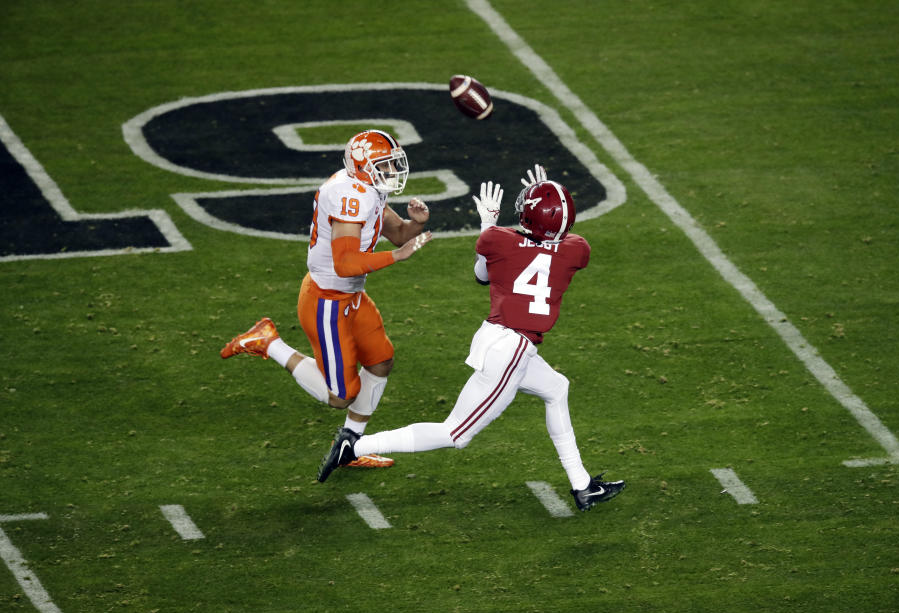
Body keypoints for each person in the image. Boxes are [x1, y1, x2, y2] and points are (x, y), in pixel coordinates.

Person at [317, 165, 625, 512]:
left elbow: (483, 274)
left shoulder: (498, 240)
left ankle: (583, 487)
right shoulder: (576, 250)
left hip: (500, 341)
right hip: (512, 348)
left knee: (556, 388)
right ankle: (353, 447)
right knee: (455, 434)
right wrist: (542, 207)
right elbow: (555, 240)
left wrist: (488, 225)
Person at [220, 129, 432, 469]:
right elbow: (346, 264)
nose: (391, 172)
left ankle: (349, 447)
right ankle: (268, 341)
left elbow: (397, 233)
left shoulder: (366, 188)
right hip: (327, 302)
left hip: (350, 295)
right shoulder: (350, 196)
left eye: (392, 164)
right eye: (384, 166)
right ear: (363, 167)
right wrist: (399, 256)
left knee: (380, 361)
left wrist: (416, 225)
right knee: (341, 395)